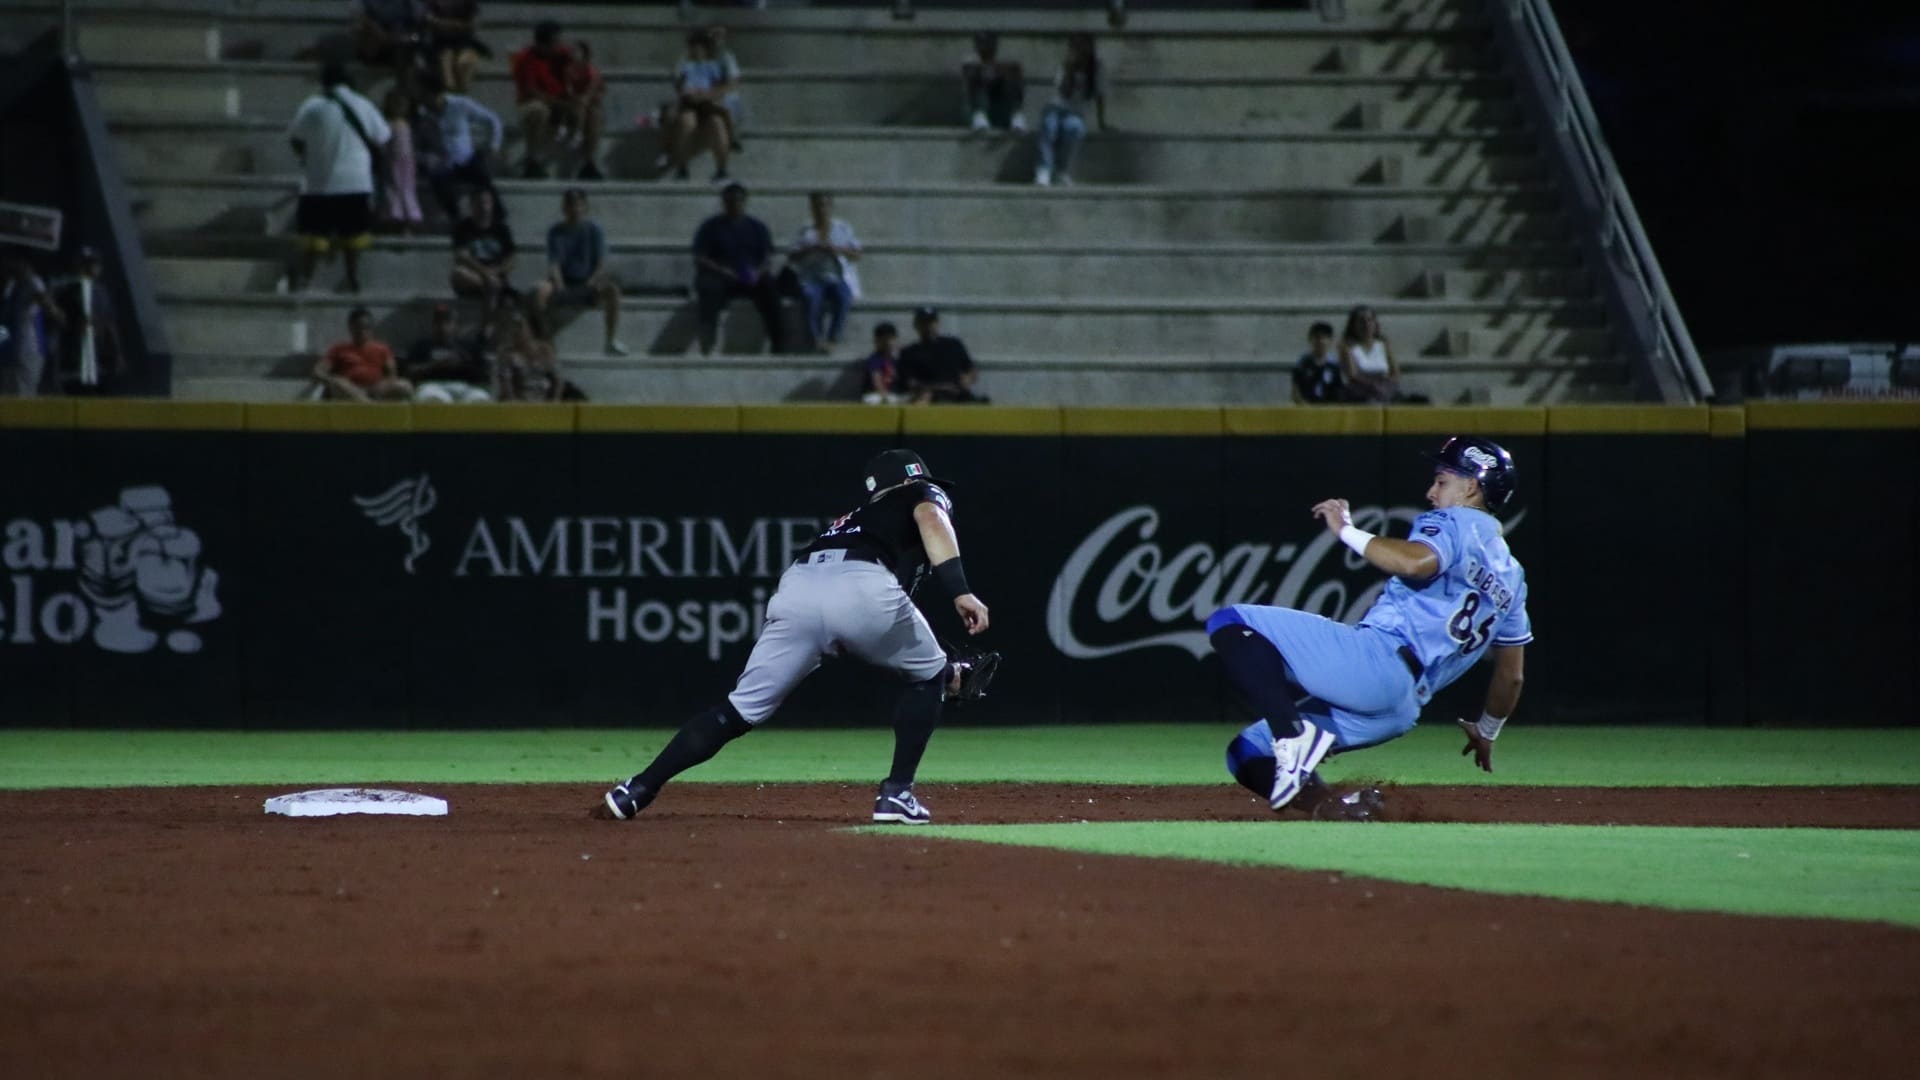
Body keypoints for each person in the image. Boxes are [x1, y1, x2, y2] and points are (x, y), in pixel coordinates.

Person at [595, 449, 991, 826]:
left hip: (799, 584)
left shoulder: (851, 519)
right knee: (927, 675)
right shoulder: (919, 492)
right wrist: (960, 591)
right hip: (861, 582)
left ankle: (637, 789)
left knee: (737, 710)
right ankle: (896, 794)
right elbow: (931, 519)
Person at [1209, 437, 1532, 820]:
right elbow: (1511, 676)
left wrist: (1346, 530)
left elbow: (1414, 563)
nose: (1432, 492)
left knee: (1229, 621)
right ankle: (1335, 809)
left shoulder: (1457, 520)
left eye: (1442, 480)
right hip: (1400, 709)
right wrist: (1487, 730)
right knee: (1246, 753)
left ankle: (1294, 737)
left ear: (1472, 486)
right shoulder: (1514, 579)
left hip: (1378, 663)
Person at [287, 61, 392, 294]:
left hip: (318, 182)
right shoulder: (363, 105)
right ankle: (352, 278)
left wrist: (309, 155)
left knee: (313, 236)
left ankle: (306, 279)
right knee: (353, 236)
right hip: (355, 180)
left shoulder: (312, 106)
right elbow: (383, 138)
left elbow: (295, 138)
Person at [691, 182, 784, 354]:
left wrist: (758, 273)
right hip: (721, 275)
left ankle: (778, 342)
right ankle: (708, 337)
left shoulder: (757, 227)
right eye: (730, 201)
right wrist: (722, 270)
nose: (734, 204)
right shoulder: (710, 227)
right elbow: (700, 257)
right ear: (724, 202)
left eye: (738, 200)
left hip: (750, 276)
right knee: (708, 286)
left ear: (745, 201)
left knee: (770, 287)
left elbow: (768, 258)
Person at [532, 188, 626, 356]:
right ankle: (546, 339)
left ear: (585, 207)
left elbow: (600, 263)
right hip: (565, 281)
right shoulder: (555, 232)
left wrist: (592, 280)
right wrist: (559, 282)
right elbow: (554, 264)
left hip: (588, 282)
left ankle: (610, 340)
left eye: (578, 205)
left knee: (612, 289)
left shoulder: (594, 230)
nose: (574, 209)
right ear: (564, 208)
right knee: (539, 292)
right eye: (570, 205)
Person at [511, 20, 604, 180]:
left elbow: (592, 74)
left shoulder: (564, 54)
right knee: (538, 110)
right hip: (538, 105)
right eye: (555, 42)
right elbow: (531, 92)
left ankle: (589, 164)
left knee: (593, 112)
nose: (560, 45)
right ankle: (531, 161)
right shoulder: (526, 59)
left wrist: (585, 97)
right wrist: (563, 105)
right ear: (542, 44)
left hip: (565, 106)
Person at [412, 69, 503, 225]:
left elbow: (493, 119)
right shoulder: (420, 115)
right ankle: (457, 220)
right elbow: (414, 145)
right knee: (438, 180)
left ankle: (498, 217)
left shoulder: (460, 105)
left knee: (483, 176)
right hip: (442, 164)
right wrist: (426, 158)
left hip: (466, 159)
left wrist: (494, 145)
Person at [787, 191, 862, 351]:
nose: (821, 209)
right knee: (809, 297)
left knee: (843, 297)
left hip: (836, 276)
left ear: (830, 206)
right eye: (817, 205)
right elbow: (792, 256)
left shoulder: (843, 228)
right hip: (811, 277)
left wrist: (836, 249)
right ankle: (815, 339)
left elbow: (856, 254)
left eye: (824, 205)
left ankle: (833, 339)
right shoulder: (805, 230)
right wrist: (810, 249)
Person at [1034, 33, 1108, 186]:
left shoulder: (1097, 69)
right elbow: (1063, 92)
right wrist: (1071, 70)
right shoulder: (1065, 66)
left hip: (1076, 113)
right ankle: (1044, 169)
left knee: (1074, 128)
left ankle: (1061, 170)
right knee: (1049, 126)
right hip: (1056, 108)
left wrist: (1102, 123)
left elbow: (1100, 96)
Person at [663, 30, 737, 183]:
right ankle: (682, 167)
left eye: (699, 47)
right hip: (689, 103)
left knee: (717, 123)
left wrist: (707, 95)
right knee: (686, 122)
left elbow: (725, 86)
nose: (696, 51)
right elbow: (678, 84)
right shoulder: (685, 65)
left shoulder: (716, 64)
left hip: (709, 104)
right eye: (693, 47)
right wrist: (689, 93)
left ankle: (722, 170)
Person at [48, 246, 122, 396]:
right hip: (72, 358)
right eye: (84, 264)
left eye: (92, 264)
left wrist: (117, 353)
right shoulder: (66, 289)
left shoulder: (101, 292)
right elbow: (55, 318)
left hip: (98, 358)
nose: (88, 268)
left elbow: (109, 323)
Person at [314, 307, 412, 401]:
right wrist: (332, 381)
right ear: (351, 328)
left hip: (376, 390)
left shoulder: (382, 349)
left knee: (404, 386)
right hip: (350, 390)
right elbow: (318, 371)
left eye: (366, 327)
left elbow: (392, 374)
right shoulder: (339, 349)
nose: (362, 331)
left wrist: (382, 385)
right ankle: (369, 407)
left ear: (371, 328)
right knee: (338, 384)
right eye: (358, 327)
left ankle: (366, 405)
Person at [403, 303, 492, 402]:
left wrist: (464, 364)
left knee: (480, 398)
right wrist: (436, 365)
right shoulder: (422, 345)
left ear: (455, 325)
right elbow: (409, 372)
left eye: (447, 322)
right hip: (433, 386)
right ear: (433, 324)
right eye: (438, 322)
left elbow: (485, 374)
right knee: (432, 398)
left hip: (465, 387)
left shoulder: (469, 346)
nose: (443, 326)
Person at [493, 304, 583, 401]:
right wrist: (514, 403)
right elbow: (506, 384)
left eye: (520, 328)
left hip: (542, 400)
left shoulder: (544, 350)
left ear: (530, 330)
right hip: (518, 402)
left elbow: (558, 378)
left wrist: (554, 400)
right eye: (514, 328)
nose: (516, 332)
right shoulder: (508, 354)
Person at [0, 256, 60, 397]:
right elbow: (5, 321)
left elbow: (46, 303)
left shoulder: (32, 282)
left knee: (22, 393)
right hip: (8, 350)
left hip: (27, 349)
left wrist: (55, 311)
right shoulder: (11, 285)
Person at [898, 306, 984, 403]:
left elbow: (971, 369)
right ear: (916, 325)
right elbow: (910, 383)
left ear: (937, 323)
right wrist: (940, 388)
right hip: (929, 398)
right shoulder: (909, 353)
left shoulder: (953, 345)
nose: (928, 326)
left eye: (931, 322)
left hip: (958, 396)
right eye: (923, 322)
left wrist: (968, 379)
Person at [449, 188, 516, 312]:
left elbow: (511, 259)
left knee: (494, 287)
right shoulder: (462, 228)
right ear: (472, 205)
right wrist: (486, 273)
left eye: (487, 202)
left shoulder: (502, 229)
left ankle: (487, 328)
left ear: (492, 204)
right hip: (472, 278)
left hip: (495, 277)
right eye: (479, 202)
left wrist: (496, 272)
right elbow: (462, 257)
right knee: (458, 273)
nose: (484, 207)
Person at [961, 32, 1027, 132]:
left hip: (1000, 111)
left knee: (1011, 81)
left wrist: (998, 74)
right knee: (978, 86)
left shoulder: (1006, 65)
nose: (985, 47)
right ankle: (979, 118)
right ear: (976, 45)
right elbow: (968, 89)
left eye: (989, 43)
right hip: (978, 111)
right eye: (982, 43)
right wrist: (983, 74)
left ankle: (1016, 117)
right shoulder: (970, 64)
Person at [379, 89, 424, 233]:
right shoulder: (387, 124)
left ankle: (408, 223)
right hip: (392, 163)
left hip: (407, 164)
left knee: (407, 190)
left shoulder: (407, 125)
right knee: (394, 190)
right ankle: (394, 220)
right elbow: (383, 144)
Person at [1340, 304, 1403, 402]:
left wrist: (1386, 383)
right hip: (1361, 391)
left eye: (1369, 320)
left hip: (1385, 388)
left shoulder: (1384, 344)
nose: (1366, 324)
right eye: (1361, 321)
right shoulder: (1347, 347)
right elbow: (1353, 375)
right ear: (1353, 325)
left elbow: (1395, 372)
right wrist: (1373, 385)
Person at [424, 0, 489, 94]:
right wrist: (451, 25)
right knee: (447, 61)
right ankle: (451, 91)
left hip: (464, 42)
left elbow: (475, 21)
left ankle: (461, 92)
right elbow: (428, 19)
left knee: (466, 62)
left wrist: (457, 25)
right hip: (440, 43)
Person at [1292, 320, 1347, 405]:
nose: (1321, 341)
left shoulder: (1334, 365)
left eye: (1324, 337)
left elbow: (1340, 391)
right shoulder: (1302, 363)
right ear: (1310, 339)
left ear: (1330, 340)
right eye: (1317, 337)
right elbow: (1296, 392)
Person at [860, 321, 905, 404]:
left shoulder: (896, 361)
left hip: (893, 395)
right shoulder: (874, 360)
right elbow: (876, 380)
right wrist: (885, 396)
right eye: (883, 339)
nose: (887, 342)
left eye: (890, 338)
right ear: (876, 341)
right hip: (875, 395)